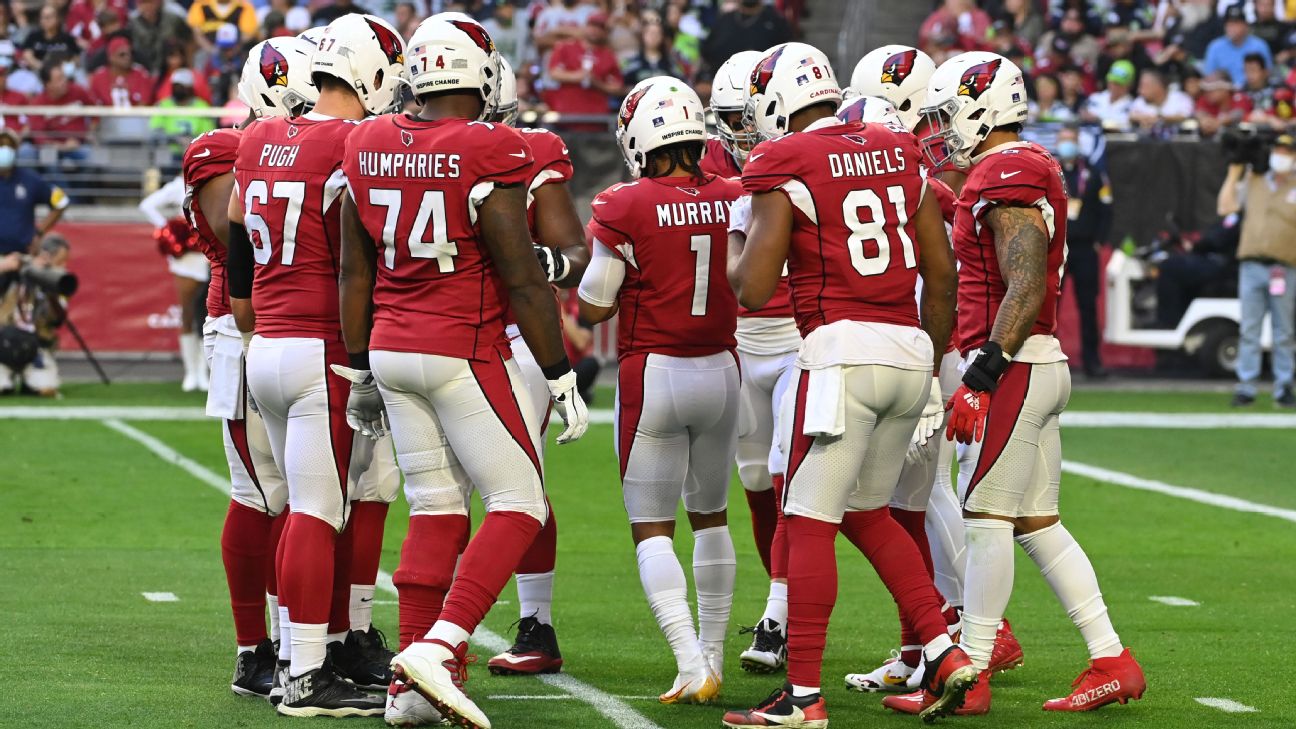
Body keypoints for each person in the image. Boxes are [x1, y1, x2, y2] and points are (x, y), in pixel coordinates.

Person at [339, 16, 587, 729]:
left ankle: (411, 692)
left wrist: (358, 367)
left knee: (437, 507)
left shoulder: (368, 140)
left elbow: (357, 270)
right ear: (481, 72)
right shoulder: (492, 147)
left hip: (389, 346)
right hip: (459, 347)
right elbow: (521, 274)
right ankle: (441, 645)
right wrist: (559, 371)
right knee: (520, 501)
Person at [722, 42, 971, 728]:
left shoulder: (786, 159)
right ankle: (945, 651)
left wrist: (736, 243)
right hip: (911, 350)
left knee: (805, 521)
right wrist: (930, 358)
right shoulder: (898, 147)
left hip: (839, 351)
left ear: (776, 102)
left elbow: (756, 288)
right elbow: (941, 270)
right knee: (868, 513)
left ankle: (801, 695)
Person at [912, 50, 1146, 714]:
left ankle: (973, 674)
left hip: (1014, 365)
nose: (940, 126)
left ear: (981, 108)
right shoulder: (1016, 167)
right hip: (1039, 361)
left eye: (947, 111)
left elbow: (1027, 274)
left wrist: (982, 374)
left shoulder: (1007, 169)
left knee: (983, 516)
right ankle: (1112, 658)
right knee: (1037, 523)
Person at [226, 13, 407, 717]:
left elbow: (240, 222)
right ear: (374, 74)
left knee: (304, 505)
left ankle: (310, 651)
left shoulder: (261, 135)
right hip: (318, 348)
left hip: (266, 342)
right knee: (317, 509)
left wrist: (250, 307)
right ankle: (306, 673)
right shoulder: (357, 141)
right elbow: (364, 256)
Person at [841, 46, 1020, 700]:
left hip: (930, 341)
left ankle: (963, 631)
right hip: (924, 340)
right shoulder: (919, 171)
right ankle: (929, 640)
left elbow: (934, 275)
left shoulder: (923, 181)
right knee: (906, 500)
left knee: (918, 498)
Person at [578, 75, 740, 706]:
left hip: (657, 375)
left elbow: (594, 305)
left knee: (652, 529)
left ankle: (688, 659)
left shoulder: (625, 204)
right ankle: (715, 655)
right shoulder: (734, 194)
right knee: (712, 518)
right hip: (722, 370)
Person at [180, 35, 317, 699]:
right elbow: (226, 231)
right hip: (241, 325)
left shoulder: (294, 144)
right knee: (260, 493)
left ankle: (297, 640)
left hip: (286, 323)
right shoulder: (228, 148)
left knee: (297, 493)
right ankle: (254, 647)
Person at [484, 56, 591, 680]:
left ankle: (535, 622)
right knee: (439, 496)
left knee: (523, 487)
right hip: (441, 336)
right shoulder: (409, 147)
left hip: (513, 339)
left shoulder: (531, 152)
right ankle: (438, 630)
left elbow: (573, 255)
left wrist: (530, 266)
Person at [1217, 134, 1296, 407]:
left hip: (1284, 268)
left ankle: (1284, 386)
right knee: (1249, 329)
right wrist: (1234, 169)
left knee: (1283, 330)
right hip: (1252, 265)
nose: (1282, 156)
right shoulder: (1255, 180)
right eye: (1279, 150)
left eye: (1288, 151)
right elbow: (1225, 206)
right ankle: (1246, 387)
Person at [138, 173, 210, 391]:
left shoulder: (212, 184)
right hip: (187, 258)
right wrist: (170, 228)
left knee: (209, 317)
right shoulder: (178, 186)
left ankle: (204, 372)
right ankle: (191, 373)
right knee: (187, 313)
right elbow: (147, 205)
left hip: (209, 253)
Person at [1056, 125, 1113, 378]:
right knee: (1049, 307)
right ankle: (1048, 362)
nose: (1067, 145)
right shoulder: (1049, 169)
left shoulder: (1093, 172)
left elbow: (1106, 208)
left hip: (1085, 247)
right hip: (1057, 248)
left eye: (1072, 140)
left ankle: (1093, 361)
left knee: (1088, 305)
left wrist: (1100, 240)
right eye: (1063, 140)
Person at [0, 233, 70, 396]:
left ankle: (30, 380)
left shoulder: (60, 280)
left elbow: (58, 320)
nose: (64, 266)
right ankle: (8, 379)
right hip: (3, 341)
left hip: (36, 345)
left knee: (46, 388)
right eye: (60, 261)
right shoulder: (12, 264)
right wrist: (5, 268)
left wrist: (51, 291)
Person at [545, 12, 623, 130]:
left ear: (605, 32)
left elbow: (617, 87)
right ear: (585, 26)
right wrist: (578, 76)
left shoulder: (608, 55)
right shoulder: (566, 47)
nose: (595, 30)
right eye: (592, 25)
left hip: (597, 118)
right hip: (566, 115)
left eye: (600, 27)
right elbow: (553, 72)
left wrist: (596, 83)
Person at [0, 127, 68, 257]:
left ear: (16, 150)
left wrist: (39, 233)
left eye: (9, 146)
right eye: (0, 145)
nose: (4, 149)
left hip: (23, 256)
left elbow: (61, 202)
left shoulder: (30, 180)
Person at [701, 51, 761, 179]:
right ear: (724, 121)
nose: (749, 130)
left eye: (755, 120)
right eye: (739, 122)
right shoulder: (702, 156)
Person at [700, 0, 792, 74]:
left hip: (761, 84)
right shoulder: (725, 19)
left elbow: (785, 56)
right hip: (722, 81)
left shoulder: (776, 21)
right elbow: (707, 52)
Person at [1204, 4, 1273, 86]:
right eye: (1229, 24)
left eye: (1236, 23)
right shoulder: (1215, 47)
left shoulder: (1259, 45)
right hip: (1226, 93)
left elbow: (1267, 74)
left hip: (1253, 92)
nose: (1232, 28)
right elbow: (1210, 77)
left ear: (1245, 25)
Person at [149, 68, 216, 142]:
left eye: (181, 86)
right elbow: (155, 131)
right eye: (175, 86)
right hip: (169, 151)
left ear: (190, 87)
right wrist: (176, 139)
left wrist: (192, 140)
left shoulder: (202, 106)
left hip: (195, 150)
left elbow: (209, 134)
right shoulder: (163, 105)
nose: (178, 89)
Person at [128, 0, 193, 73]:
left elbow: (189, 39)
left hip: (172, 68)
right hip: (145, 69)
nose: (147, 7)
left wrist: (189, 63)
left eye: (150, 3)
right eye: (143, 3)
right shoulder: (132, 25)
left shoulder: (173, 19)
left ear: (157, 3)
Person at [88, 34, 153, 106]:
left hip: (136, 116)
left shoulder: (141, 74)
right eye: (122, 55)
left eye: (129, 54)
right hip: (106, 116)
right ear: (111, 57)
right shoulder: (98, 77)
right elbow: (94, 106)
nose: (127, 57)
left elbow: (144, 104)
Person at [1128, 67, 1194, 129]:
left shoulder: (1181, 98)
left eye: (1144, 86)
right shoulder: (1140, 100)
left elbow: (1185, 117)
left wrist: (1159, 119)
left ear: (1158, 87)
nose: (1139, 91)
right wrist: (1142, 118)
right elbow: (1131, 116)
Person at [19, 4, 77, 70]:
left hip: (62, 72)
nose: (45, 20)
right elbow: (27, 55)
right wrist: (43, 68)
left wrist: (65, 69)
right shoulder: (33, 36)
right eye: (43, 17)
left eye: (48, 17)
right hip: (38, 71)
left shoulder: (67, 38)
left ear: (58, 18)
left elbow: (75, 58)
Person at [1082, 58, 1136, 128]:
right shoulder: (1094, 98)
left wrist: (1098, 120)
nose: (1114, 86)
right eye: (1112, 81)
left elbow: (1124, 126)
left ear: (1129, 85)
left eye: (1118, 83)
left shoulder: (1133, 106)